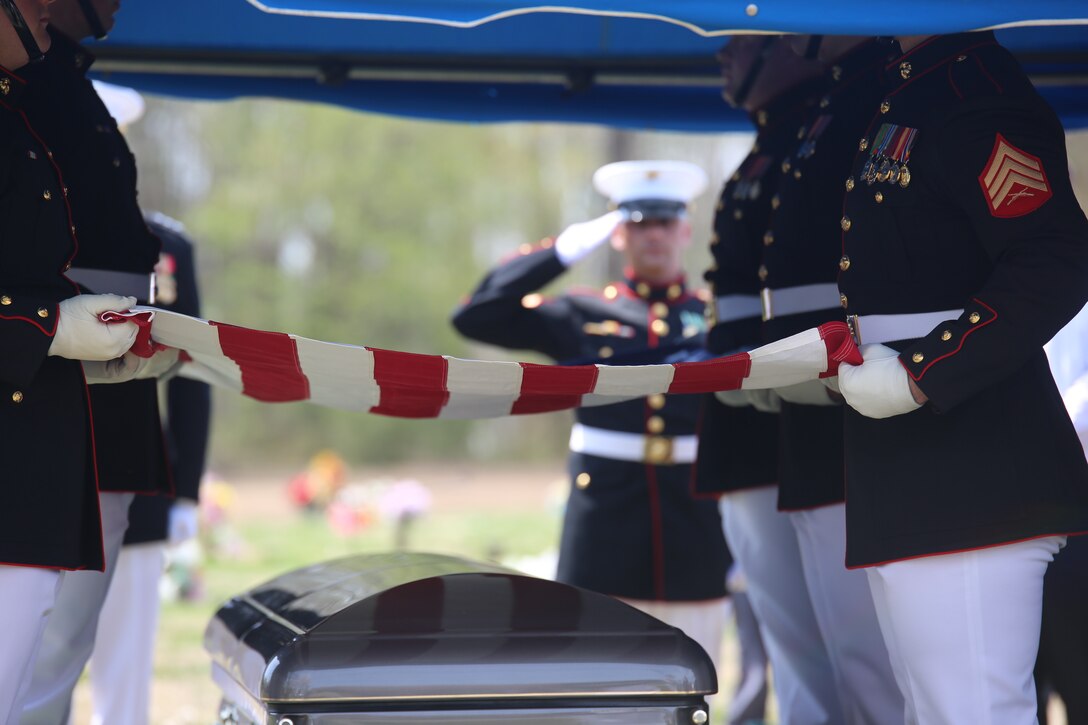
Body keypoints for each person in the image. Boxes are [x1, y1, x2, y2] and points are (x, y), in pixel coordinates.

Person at [833, 31, 1088, 723]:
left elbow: (1055, 257)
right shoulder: (911, 86)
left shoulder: (972, 92)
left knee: (971, 710)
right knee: (932, 709)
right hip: (920, 465)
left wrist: (922, 371)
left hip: (975, 465)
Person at [452, 160, 733, 672]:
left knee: (696, 670)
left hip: (695, 516)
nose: (654, 235)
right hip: (606, 515)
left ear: (686, 230)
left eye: (665, 222)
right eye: (639, 223)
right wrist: (564, 249)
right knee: (598, 672)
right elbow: (476, 314)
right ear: (618, 234)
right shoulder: (582, 313)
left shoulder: (717, 316)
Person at [16, 2, 178, 722]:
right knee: (35, 637)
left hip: (105, 375)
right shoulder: (28, 79)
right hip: (40, 367)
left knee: (63, 637)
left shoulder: (67, 78)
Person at [697, 34, 845, 725]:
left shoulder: (831, 127)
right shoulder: (773, 145)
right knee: (793, 633)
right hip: (751, 419)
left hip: (814, 411)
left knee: (845, 638)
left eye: (742, 41)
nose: (723, 55)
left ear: (796, 47)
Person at [755, 35, 903, 723]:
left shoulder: (870, 97)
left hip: (849, 386)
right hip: (806, 388)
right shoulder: (829, 107)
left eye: (747, 45)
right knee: (830, 656)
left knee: (869, 660)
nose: (734, 55)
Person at [87, 211, 211, 725]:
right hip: (35, 474)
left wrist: (185, 491)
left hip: (134, 468)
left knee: (125, 675)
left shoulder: (166, 242)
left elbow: (191, 368)